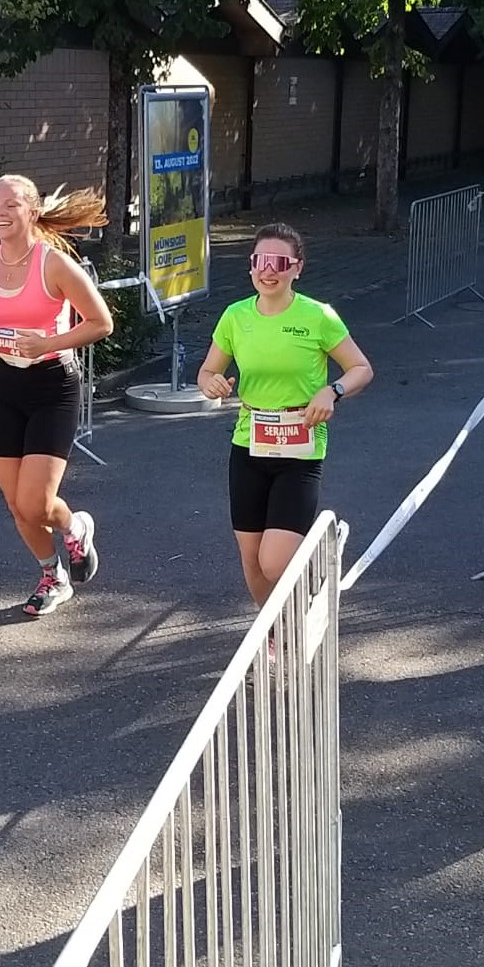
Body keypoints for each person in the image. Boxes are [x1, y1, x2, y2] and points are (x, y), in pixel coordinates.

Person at [197, 223, 373, 654]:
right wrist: (213, 384)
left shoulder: (317, 316)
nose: (267, 271)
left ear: (297, 269)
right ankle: (276, 632)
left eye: (278, 263)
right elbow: (206, 372)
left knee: (275, 560)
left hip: (301, 446)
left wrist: (331, 391)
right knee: (253, 560)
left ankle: (315, 561)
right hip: (249, 443)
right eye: (259, 261)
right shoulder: (236, 316)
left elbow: (361, 368)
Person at [0, 175, 113, 616]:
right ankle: (53, 575)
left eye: (11, 205)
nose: (0, 213)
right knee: (18, 507)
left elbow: (101, 323)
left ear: (32, 211)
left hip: (53, 386)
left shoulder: (53, 265)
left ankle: (75, 527)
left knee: (35, 503)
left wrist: (48, 344)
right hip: (6, 388)